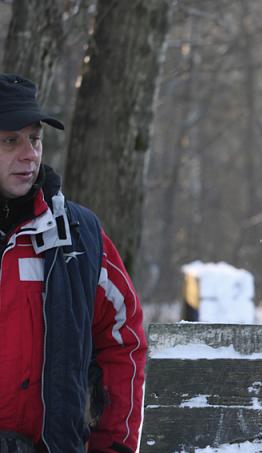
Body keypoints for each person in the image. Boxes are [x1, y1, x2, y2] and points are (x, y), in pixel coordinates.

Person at [0, 74, 147, 453]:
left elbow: (124, 338)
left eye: (34, 139)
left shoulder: (78, 233)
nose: (30, 153)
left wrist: (113, 444)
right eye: (10, 140)